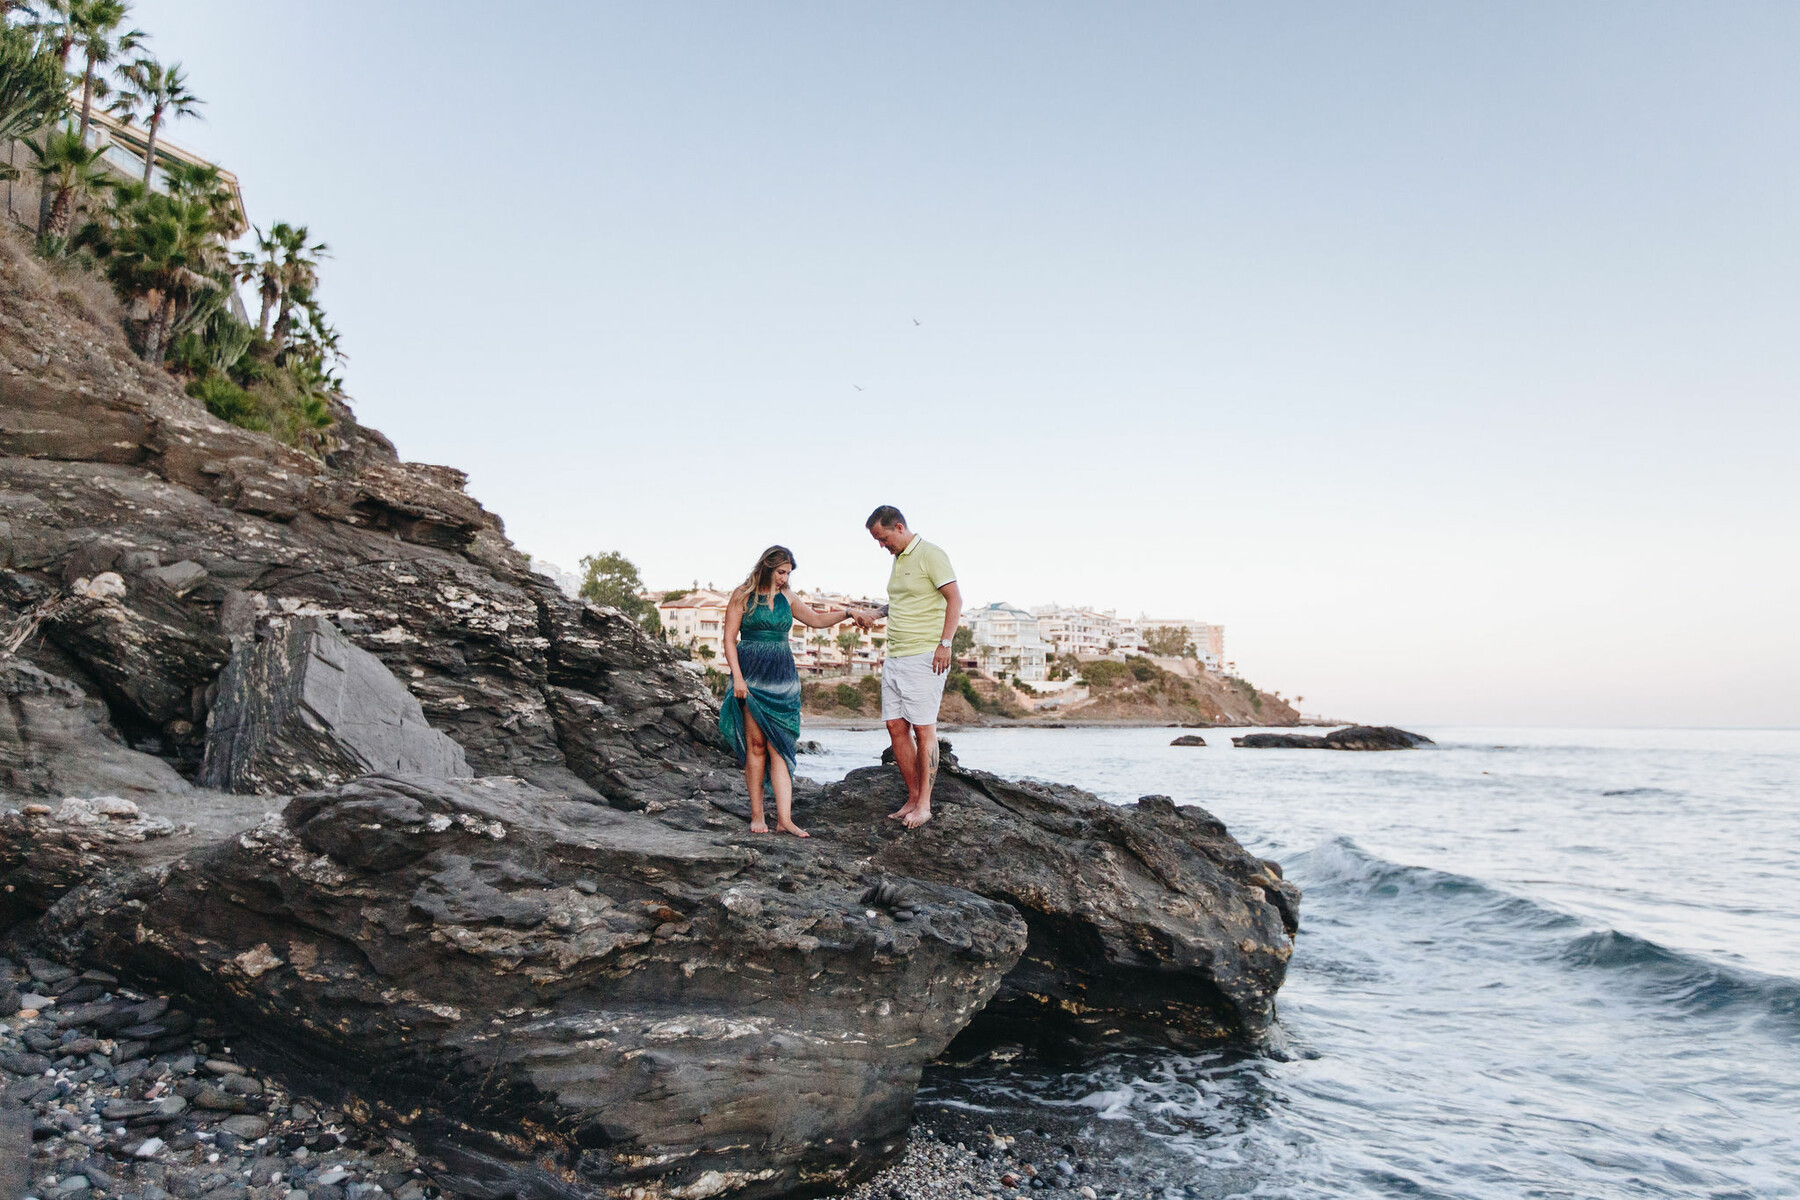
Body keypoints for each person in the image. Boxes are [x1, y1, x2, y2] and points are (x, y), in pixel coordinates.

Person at [720, 545, 867, 837]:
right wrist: (737, 677)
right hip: (751, 675)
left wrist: (848, 612)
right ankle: (757, 814)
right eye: (781, 572)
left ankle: (784, 819)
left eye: (788, 573)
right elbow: (728, 639)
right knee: (757, 747)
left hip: (783, 677)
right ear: (767, 567)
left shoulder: (788, 597)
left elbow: (816, 619)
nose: (785, 578)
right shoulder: (742, 595)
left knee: (781, 747)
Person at [857, 506, 961, 828]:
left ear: (899, 527)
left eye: (883, 538)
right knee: (895, 727)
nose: (881, 546)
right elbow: (902, 601)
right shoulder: (898, 559)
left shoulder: (931, 554)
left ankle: (925, 806)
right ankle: (913, 796)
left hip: (924, 655)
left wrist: (945, 644)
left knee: (923, 728)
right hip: (896, 655)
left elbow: (955, 599)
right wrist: (876, 614)